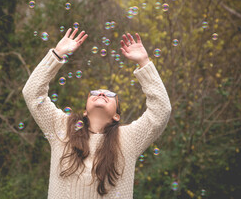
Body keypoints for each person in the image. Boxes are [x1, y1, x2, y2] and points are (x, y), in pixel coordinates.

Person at [22, 28, 171, 199]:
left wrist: (144, 62)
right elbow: (32, 93)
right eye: (95, 92)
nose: (101, 94)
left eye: (109, 94)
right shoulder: (62, 128)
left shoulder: (129, 139)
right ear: (85, 111)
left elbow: (161, 111)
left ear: (117, 115)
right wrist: (57, 54)